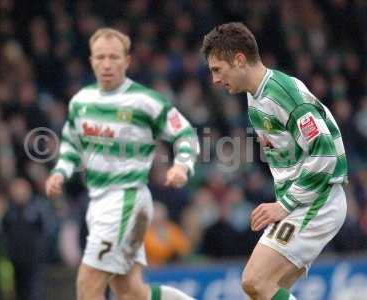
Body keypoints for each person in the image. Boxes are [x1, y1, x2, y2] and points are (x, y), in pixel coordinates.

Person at [45, 28, 198, 300]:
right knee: (130, 292)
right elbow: (70, 143)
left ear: (127, 61)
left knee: (88, 283)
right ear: (91, 60)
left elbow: (185, 133)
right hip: (98, 203)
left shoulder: (145, 101)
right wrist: (60, 172)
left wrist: (182, 165)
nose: (106, 64)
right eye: (100, 57)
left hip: (127, 199)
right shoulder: (81, 101)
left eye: (114, 57)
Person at [201, 22, 347, 300]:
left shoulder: (283, 94)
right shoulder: (255, 97)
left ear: (239, 59)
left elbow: (325, 154)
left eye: (217, 69)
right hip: (301, 199)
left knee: (255, 280)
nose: (215, 80)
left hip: (318, 200)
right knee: (264, 291)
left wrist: (284, 205)